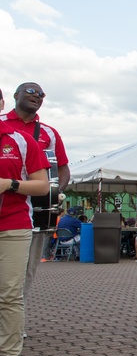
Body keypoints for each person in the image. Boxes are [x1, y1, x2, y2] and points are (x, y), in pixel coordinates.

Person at [0, 85, 52, 356]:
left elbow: (43, 185)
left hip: (12, 224)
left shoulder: (19, 139)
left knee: (9, 293)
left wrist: (10, 184)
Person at [2, 83, 70, 305]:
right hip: (7, 208)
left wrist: (53, 195)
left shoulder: (49, 132)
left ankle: (14, 323)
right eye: (30, 92)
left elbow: (63, 168)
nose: (37, 96)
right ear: (15, 96)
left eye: (41, 94)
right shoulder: (2, 124)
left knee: (26, 272)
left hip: (37, 212)